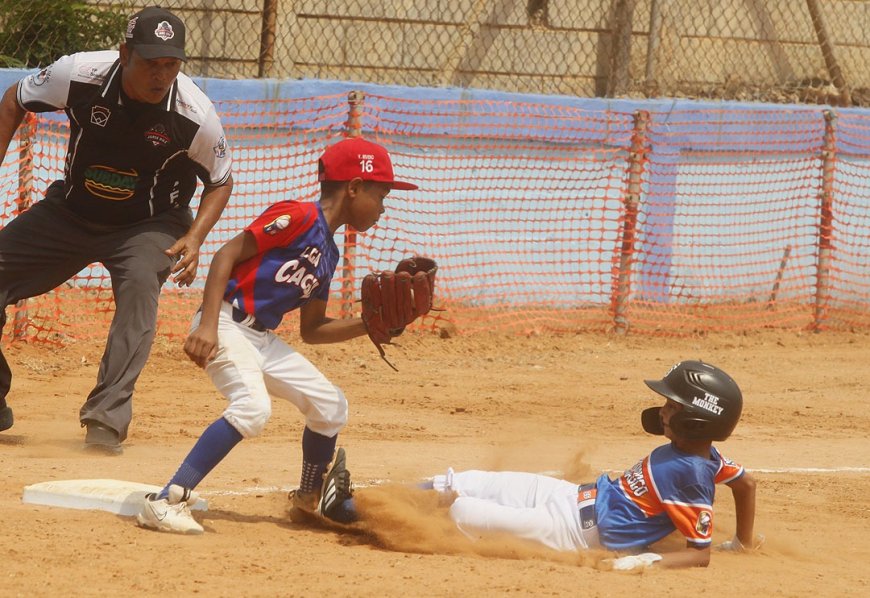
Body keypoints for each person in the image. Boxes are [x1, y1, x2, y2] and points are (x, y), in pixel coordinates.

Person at [135, 136, 419, 534]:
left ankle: (307, 498)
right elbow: (226, 254)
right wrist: (208, 324)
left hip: (261, 338)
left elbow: (313, 329)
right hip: (228, 323)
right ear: (353, 187)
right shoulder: (298, 216)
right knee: (253, 408)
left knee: (330, 405)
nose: (383, 206)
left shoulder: (329, 254)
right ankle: (167, 500)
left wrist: (370, 325)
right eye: (381, 194)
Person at [0, 6, 233, 453]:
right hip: (69, 213)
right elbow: (14, 98)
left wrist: (196, 236)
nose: (161, 75)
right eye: (151, 62)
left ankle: (106, 419)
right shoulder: (79, 74)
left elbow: (220, 180)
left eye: (172, 64)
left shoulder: (195, 113)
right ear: (124, 53)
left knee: (141, 289)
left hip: (150, 226)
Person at [422, 360, 760, 570]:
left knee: (461, 513)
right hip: (574, 496)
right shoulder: (707, 458)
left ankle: (375, 517)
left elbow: (699, 555)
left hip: (571, 532)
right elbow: (746, 484)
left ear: (697, 421)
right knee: (466, 481)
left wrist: (648, 560)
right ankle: (372, 503)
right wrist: (742, 541)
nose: (662, 411)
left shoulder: (691, 473)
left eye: (672, 407)